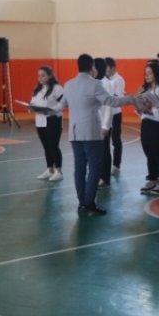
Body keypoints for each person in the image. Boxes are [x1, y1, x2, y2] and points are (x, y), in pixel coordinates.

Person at [59, 54, 133, 216]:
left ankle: (82, 202)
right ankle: (89, 202)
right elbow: (111, 102)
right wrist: (131, 99)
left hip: (75, 133)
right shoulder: (95, 84)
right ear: (92, 67)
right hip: (91, 133)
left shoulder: (69, 84)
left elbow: (62, 104)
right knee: (94, 168)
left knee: (79, 169)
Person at [138, 60, 159, 195]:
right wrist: (139, 106)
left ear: (156, 74)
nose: (147, 76)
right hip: (146, 123)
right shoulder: (145, 90)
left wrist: (152, 109)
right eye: (145, 73)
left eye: (150, 73)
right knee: (149, 152)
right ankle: (152, 179)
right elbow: (139, 109)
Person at [30, 65, 64, 182]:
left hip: (53, 120)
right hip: (40, 122)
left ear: (50, 76)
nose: (40, 78)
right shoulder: (37, 89)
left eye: (43, 75)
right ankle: (50, 169)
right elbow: (33, 102)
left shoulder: (57, 88)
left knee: (53, 146)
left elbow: (63, 104)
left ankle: (59, 171)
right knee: (46, 147)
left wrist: (51, 110)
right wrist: (31, 108)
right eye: (39, 75)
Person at [93, 57, 113, 187]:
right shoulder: (94, 82)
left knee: (104, 151)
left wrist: (106, 126)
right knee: (95, 151)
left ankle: (104, 177)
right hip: (93, 123)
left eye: (93, 67)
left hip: (103, 124)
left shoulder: (106, 84)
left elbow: (108, 106)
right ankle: (97, 174)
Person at [105, 57, 126, 175]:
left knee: (116, 139)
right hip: (105, 114)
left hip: (115, 114)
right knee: (105, 140)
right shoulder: (104, 80)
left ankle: (116, 164)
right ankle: (106, 164)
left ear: (113, 68)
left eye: (107, 68)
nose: (105, 70)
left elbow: (118, 98)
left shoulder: (119, 80)